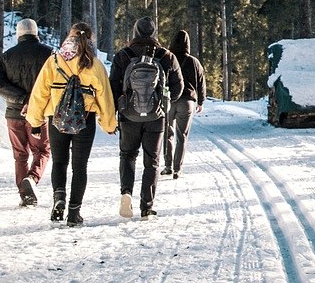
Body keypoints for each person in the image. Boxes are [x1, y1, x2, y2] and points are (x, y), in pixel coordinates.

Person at [25, 22, 117, 227]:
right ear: (90, 39)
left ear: (70, 36)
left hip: (56, 119)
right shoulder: (94, 64)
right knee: (79, 167)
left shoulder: (54, 61)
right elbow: (105, 97)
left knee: (59, 162)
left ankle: (59, 198)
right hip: (85, 120)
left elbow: (39, 92)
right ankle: (74, 213)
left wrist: (35, 121)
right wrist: (109, 124)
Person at [110, 17, 183, 220]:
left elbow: (113, 86)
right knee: (152, 161)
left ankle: (126, 193)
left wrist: (120, 106)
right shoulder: (166, 56)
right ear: (154, 33)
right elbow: (179, 86)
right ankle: (146, 206)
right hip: (156, 117)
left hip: (128, 116)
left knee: (127, 155)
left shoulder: (123, 56)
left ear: (134, 33)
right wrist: (164, 102)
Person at [0, 18, 54, 206]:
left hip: (14, 114)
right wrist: (34, 99)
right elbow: (56, 82)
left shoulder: (6, 56)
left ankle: (24, 193)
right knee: (42, 151)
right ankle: (32, 179)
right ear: (36, 33)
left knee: (20, 154)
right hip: (39, 114)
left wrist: (20, 98)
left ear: (19, 34)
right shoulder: (49, 55)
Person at [161, 29, 206, 179]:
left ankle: (167, 165)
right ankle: (177, 169)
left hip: (170, 100)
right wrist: (201, 101)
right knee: (182, 135)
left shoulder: (167, 58)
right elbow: (201, 83)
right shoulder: (194, 62)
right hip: (187, 102)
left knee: (168, 133)